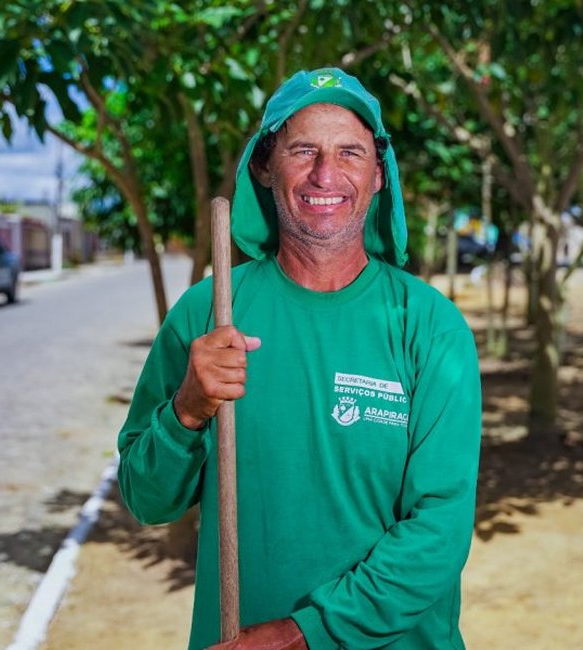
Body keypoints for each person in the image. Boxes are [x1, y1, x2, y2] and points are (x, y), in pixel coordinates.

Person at [117, 67, 482, 650]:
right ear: (265, 166)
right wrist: (187, 409)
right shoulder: (209, 314)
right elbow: (146, 499)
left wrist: (300, 634)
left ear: (379, 175)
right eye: (303, 149)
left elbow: (439, 529)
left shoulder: (428, 325)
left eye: (350, 152)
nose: (325, 174)